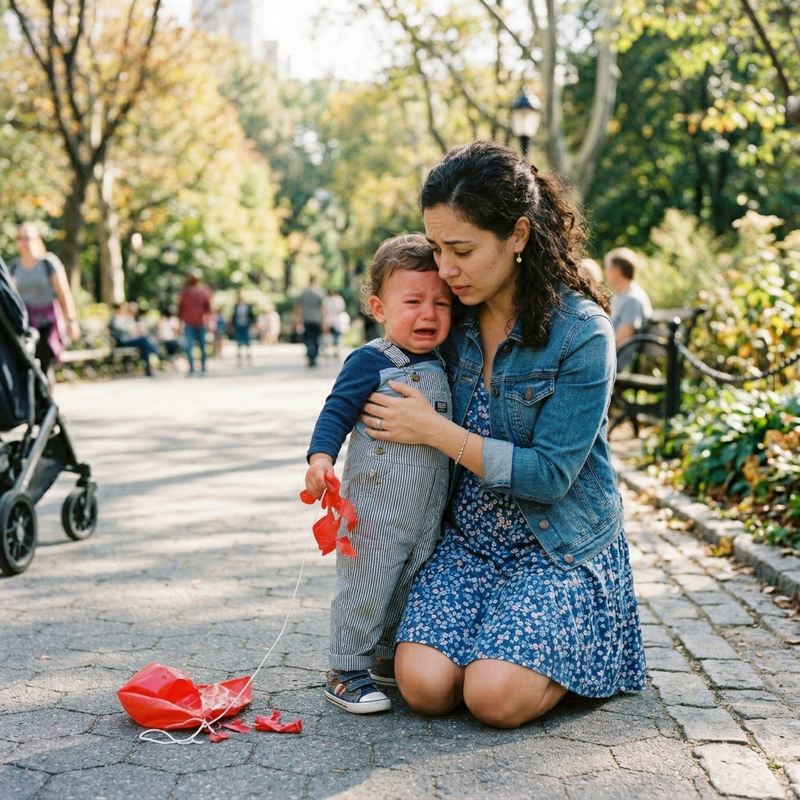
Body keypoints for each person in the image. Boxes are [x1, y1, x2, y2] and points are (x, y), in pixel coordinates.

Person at [359, 141, 646, 729]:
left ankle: (588, 645)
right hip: (469, 542)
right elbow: (382, 354)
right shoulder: (452, 321)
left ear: (517, 236)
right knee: (425, 688)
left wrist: (438, 433)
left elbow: (548, 476)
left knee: (491, 698)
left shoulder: (581, 335)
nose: (444, 270)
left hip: (557, 547)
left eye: (460, 250)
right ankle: (506, 645)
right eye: (437, 248)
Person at [304, 234, 453, 715]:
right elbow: (336, 411)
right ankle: (345, 671)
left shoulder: (446, 362)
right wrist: (320, 459)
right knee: (366, 585)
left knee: (407, 585)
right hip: (374, 510)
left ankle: (387, 658)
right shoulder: (371, 361)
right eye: (412, 302)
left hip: (427, 511)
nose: (428, 314)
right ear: (379, 307)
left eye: (441, 303)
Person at [9, 221, 81, 379]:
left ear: (37, 239)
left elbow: (64, 293)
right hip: (26, 322)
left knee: (45, 361)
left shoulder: (49, 263)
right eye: (21, 238)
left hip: (49, 321)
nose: (25, 242)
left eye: (28, 238)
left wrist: (72, 320)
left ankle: (47, 398)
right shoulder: (14, 267)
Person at [603, 247, 653, 369]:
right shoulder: (621, 297)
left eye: (607, 267)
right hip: (611, 357)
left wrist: (597, 351)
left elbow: (624, 335)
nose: (605, 272)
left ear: (617, 271)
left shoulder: (633, 298)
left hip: (616, 360)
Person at [109, 302, 160, 376]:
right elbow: (121, 330)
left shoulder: (125, 318)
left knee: (144, 345)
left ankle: (148, 368)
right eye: (121, 308)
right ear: (117, 309)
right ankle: (156, 352)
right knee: (144, 341)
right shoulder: (115, 319)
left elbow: (131, 329)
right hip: (122, 341)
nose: (123, 310)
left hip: (128, 339)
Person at [178, 268, 212, 374]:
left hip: (201, 323)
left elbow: (208, 308)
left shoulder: (204, 292)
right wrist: (180, 324)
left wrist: (210, 321)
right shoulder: (184, 293)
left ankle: (203, 366)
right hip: (188, 323)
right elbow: (180, 309)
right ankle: (191, 367)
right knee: (189, 346)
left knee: (203, 345)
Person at [294, 277, 325, 366]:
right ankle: (314, 356)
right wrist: (323, 320)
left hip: (306, 318)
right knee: (316, 339)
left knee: (307, 338)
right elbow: (322, 307)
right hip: (317, 319)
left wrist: (297, 318)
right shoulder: (319, 292)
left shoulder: (303, 292)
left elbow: (298, 306)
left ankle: (309, 354)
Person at [231, 291, 256, 363]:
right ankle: (239, 353)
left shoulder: (247, 306)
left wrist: (252, 323)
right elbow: (234, 316)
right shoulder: (236, 307)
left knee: (247, 338)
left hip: (246, 325)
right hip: (238, 325)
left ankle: (248, 353)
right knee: (239, 339)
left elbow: (251, 315)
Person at [321, 287, 346, 357]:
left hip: (335, 319)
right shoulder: (328, 299)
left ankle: (336, 350)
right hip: (331, 319)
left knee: (336, 336)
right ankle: (328, 350)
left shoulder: (337, 299)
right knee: (328, 336)